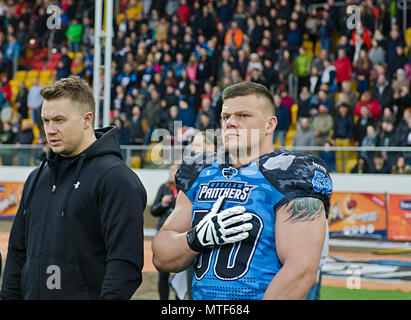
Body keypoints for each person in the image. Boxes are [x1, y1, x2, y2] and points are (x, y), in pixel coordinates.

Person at [152, 81, 332, 300]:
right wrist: (196, 238)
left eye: (243, 116)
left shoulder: (292, 172)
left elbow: (301, 272)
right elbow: (161, 257)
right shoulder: (200, 171)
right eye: (226, 116)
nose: (231, 123)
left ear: (270, 124)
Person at [1, 76, 147, 300]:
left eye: (59, 120)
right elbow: (17, 254)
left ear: (86, 120)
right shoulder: (36, 178)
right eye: (45, 120)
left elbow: (124, 263)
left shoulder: (117, 179)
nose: (50, 130)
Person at [150, 163, 179, 300]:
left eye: (176, 170)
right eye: (171, 170)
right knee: (163, 272)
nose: (172, 172)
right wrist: (162, 204)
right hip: (163, 233)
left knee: (181, 273)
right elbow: (153, 211)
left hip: (179, 234)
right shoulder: (164, 188)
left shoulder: (184, 188)